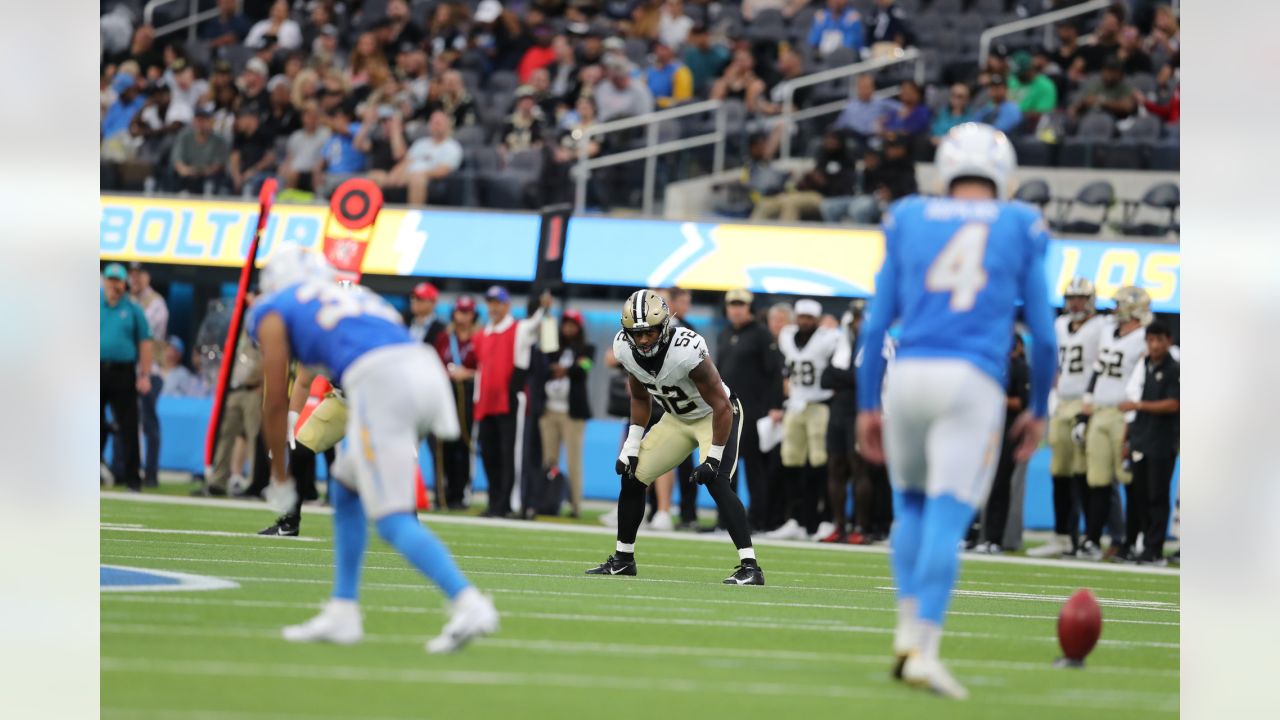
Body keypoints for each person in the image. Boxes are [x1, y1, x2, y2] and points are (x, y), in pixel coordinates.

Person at [855, 123, 1057, 699]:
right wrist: (1039, 406)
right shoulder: (1020, 223)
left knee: (910, 509)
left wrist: (870, 401)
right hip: (971, 379)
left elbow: (875, 324)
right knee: (946, 515)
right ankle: (926, 648)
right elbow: (1043, 336)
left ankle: (905, 630)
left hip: (909, 374)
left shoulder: (910, 215)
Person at [249, 245, 499, 653]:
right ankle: (343, 610)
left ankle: (469, 602)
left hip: (381, 383)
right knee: (346, 486)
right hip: (422, 375)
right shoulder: (356, 295)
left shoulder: (276, 307)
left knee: (392, 520)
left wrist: (279, 474)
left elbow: (275, 398)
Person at [586, 290, 765, 585]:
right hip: (677, 419)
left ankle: (750, 567)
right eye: (637, 333)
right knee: (632, 475)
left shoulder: (686, 348)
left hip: (715, 416)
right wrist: (631, 445)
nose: (643, 340)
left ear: (665, 325)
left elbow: (721, 406)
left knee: (717, 481)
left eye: (650, 332)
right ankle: (623, 560)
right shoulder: (624, 348)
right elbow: (640, 398)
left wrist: (713, 459)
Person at [1031, 277, 1106, 559]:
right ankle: (1062, 536)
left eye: (1080, 298)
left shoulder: (1101, 327)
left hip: (1087, 405)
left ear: (1090, 301)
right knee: (1059, 471)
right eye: (1071, 297)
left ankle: (1089, 538)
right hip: (1061, 403)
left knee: (1085, 473)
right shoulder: (1060, 324)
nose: (1075, 303)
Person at [1077, 286, 1152, 560]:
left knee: (1129, 479)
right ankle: (1093, 540)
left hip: (1124, 415)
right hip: (1100, 411)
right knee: (1097, 479)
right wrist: (1086, 408)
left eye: (1121, 305)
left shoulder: (1145, 338)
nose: (1116, 309)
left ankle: (1133, 539)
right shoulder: (1108, 331)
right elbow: (1097, 371)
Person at [765, 299, 842, 541]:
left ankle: (821, 519)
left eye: (809, 317)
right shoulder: (788, 335)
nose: (804, 321)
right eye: (802, 316)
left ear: (817, 319)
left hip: (819, 404)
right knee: (791, 460)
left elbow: (840, 360)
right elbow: (785, 369)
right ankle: (795, 519)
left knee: (820, 461)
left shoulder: (829, 338)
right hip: (795, 405)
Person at [474, 286, 550, 517]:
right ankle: (495, 500)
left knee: (510, 455)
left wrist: (543, 308)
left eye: (498, 303)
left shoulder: (519, 328)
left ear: (507, 305)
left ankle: (510, 502)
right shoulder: (482, 335)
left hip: (509, 400)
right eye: (490, 302)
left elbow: (538, 324)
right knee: (489, 454)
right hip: (486, 403)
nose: (494, 307)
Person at [1118, 321, 1179, 565]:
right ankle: (1143, 544)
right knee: (1139, 495)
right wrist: (1126, 439)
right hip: (1141, 438)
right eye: (1150, 340)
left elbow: (1174, 404)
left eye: (1158, 340)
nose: (1154, 345)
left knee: (1157, 496)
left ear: (1168, 341)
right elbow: (1132, 402)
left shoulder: (1174, 369)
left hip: (1162, 442)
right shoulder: (1143, 365)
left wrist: (1139, 406)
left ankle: (1154, 548)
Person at [968, 333, 1030, 554]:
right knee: (979, 484)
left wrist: (992, 396)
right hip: (988, 430)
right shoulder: (990, 366)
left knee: (999, 485)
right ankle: (974, 535)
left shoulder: (1019, 367)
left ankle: (995, 538)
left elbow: (1022, 402)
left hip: (1009, 432)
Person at [819, 299, 873, 543]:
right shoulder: (841, 345)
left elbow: (869, 379)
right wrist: (851, 378)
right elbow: (826, 378)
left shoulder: (876, 344)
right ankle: (839, 524)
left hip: (861, 410)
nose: (858, 324)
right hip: (839, 411)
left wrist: (846, 379)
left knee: (858, 467)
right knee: (835, 466)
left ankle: (861, 527)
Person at [101, 263, 153, 492]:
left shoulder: (133, 310)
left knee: (129, 426)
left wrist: (144, 374)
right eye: (110, 280)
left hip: (123, 372)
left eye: (118, 281)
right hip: (96, 371)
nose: (114, 285)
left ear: (124, 284)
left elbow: (145, 342)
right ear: (104, 282)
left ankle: (133, 479)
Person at [539, 310, 595, 518]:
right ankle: (547, 500)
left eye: (573, 325)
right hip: (549, 411)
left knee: (573, 461)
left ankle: (575, 506)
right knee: (549, 460)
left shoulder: (587, 349)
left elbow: (585, 368)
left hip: (573, 415)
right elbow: (543, 366)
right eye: (566, 324)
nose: (569, 328)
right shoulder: (553, 348)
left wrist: (566, 370)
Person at [434, 296, 481, 510]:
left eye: (467, 312)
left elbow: (486, 368)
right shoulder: (444, 338)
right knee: (444, 445)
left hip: (468, 396)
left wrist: (468, 373)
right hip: (445, 394)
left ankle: (462, 493)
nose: (462, 316)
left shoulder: (479, 337)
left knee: (464, 445)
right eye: (459, 312)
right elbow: (432, 363)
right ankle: (443, 494)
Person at [127, 263, 168, 488]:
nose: (135, 279)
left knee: (149, 422)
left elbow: (142, 329)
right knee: (127, 421)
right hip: (128, 370)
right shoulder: (126, 301)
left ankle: (151, 472)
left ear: (147, 277)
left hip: (150, 371)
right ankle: (123, 469)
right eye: (132, 275)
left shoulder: (156, 303)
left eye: (138, 275)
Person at [169, 105, 230, 194]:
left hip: (209, 176)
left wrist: (201, 172)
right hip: (187, 175)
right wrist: (188, 171)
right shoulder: (184, 137)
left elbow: (218, 166)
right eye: (198, 120)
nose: (200, 123)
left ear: (210, 122)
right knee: (173, 175)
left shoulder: (219, 140)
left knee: (218, 179)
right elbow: (178, 161)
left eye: (204, 120)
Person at [832, 73, 897, 144]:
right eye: (862, 87)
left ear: (873, 88)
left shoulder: (881, 102)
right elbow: (839, 126)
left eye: (867, 87)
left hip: (875, 139)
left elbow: (903, 110)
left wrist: (887, 119)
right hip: (855, 140)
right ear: (858, 88)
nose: (865, 90)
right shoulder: (850, 106)